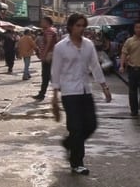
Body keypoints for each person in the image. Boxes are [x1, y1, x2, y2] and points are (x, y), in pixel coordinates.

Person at [51, 13, 112, 176]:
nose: (81, 29)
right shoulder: (61, 47)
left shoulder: (88, 45)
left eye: (83, 26)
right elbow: (55, 71)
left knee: (91, 125)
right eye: (77, 25)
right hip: (69, 92)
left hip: (85, 89)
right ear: (70, 26)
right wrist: (54, 96)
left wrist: (104, 86)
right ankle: (77, 163)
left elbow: (95, 66)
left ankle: (69, 143)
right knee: (76, 128)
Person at [119, 20, 140, 120]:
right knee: (132, 91)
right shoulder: (129, 41)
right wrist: (122, 65)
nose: (138, 29)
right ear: (134, 29)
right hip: (132, 69)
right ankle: (134, 110)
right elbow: (124, 53)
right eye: (136, 27)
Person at [32, 17, 58, 101]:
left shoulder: (49, 31)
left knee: (47, 75)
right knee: (47, 76)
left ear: (47, 23)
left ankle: (43, 94)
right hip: (50, 55)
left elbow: (49, 43)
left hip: (49, 56)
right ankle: (42, 93)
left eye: (42, 22)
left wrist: (44, 54)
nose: (41, 23)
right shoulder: (51, 30)